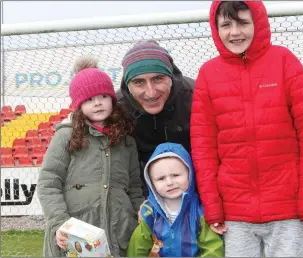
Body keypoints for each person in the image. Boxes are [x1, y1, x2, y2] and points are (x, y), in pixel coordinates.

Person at [190, 1, 303, 257]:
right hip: (236, 211)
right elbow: (203, 148)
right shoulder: (208, 74)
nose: (235, 32)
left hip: (287, 206)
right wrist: (213, 207)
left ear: (259, 22)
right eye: (226, 25)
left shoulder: (284, 61)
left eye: (243, 23)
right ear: (216, 28)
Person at [37, 56, 144, 257]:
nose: (97, 103)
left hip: (119, 234)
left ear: (112, 98)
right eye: (89, 99)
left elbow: (135, 187)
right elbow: (48, 183)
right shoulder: (65, 135)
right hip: (75, 237)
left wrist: (139, 211)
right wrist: (61, 223)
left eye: (103, 96)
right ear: (78, 104)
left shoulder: (127, 141)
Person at [116, 40, 195, 196]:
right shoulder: (117, 109)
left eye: (158, 79)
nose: (151, 93)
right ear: (127, 85)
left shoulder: (195, 96)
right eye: (139, 82)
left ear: (171, 77)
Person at [127, 142, 224, 257]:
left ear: (190, 173)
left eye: (176, 175)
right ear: (151, 183)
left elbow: (212, 249)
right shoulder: (150, 213)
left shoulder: (200, 211)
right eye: (161, 178)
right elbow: (138, 249)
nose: (169, 182)